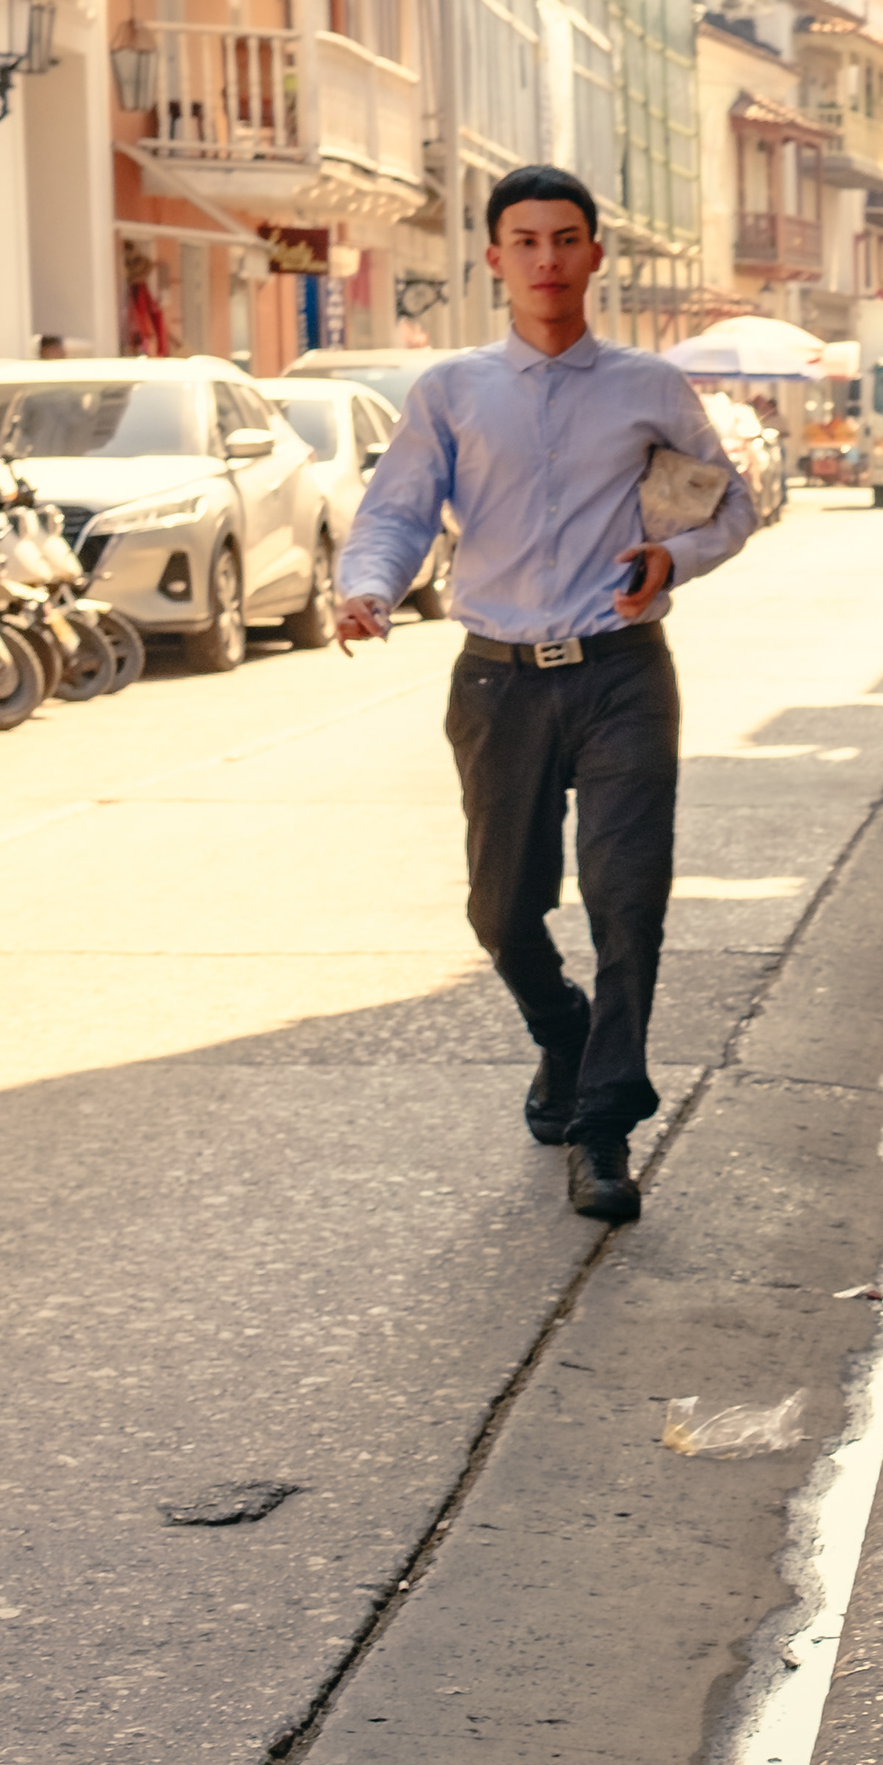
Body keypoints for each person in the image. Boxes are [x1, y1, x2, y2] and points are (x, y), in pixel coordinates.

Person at [333, 166, 761, 1225]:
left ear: (595, 254)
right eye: (524, 242)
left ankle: (604, 1124)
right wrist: (368, 588)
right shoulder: (452, 391)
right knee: (500, 909)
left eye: (565, 239)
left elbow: (729, 502)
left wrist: (676, 559)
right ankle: (563, 1032)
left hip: (622, 672)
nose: (546, 261)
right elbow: (397, 511)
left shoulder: (651, 387)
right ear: (493, 259)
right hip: (498, 680)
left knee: (628, 900)